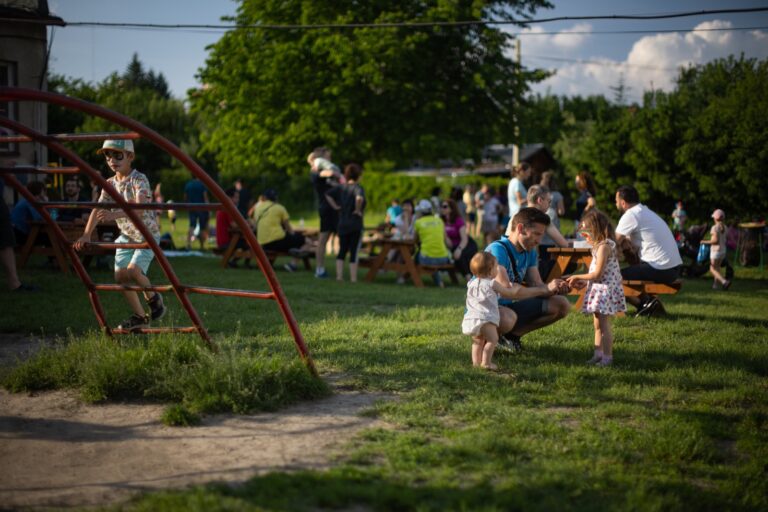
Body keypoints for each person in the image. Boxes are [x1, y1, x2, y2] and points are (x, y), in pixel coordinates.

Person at [74, 139, 166, 331]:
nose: (112, 160)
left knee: (134, 271)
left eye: (118, 155)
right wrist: (86, 234)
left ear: (130, 157)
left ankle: (154, 297)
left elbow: (139, 209)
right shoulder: (109, 184)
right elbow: (98, 208)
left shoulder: (139, 179)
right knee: (121, 277)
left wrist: (113, 214)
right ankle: (140, 316)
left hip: (145, 234)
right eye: (108, 156)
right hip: (126, 235)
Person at [486, 207, 570, 352]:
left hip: (507, 309)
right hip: (485, 311)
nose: (539, 241)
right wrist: (544, 289)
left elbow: (537, 285)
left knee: (561, 304)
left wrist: (558, 286)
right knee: (507, 318)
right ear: (520, 228)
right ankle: (489, 340)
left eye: (541, 235)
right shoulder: (498, 249)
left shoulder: (529, 252)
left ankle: (511, 337)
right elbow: (507, 290)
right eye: (536, 234)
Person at [566, 210, 626, 367]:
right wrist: (586, 283)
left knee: (604, 326)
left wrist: (579, 277)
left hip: (605, 291)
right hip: (599, 289)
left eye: (587, 233)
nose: (585, 237)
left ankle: (607, 357)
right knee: (597, 325)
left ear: (597, 229)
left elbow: (597, 274)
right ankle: (597, 354)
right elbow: (598, 275)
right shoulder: (599, 247)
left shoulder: (604, 247)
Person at [614, 185, 683, 316]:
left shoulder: (631, 214)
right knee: (626, 274)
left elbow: (612, 243)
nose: (615, 203)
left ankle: (644, 305)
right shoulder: (644, 212)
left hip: (661, 268)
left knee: (612, 277)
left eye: (616, 201)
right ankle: (649, 304)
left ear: (623, 203)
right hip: (671, 268)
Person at [462, 252, 515, 371]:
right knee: (492, 340)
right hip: (486, 318)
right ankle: (486, 363)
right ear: (491, 271)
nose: (498, 269)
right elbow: (507, 293)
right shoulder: (492, 283)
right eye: (497, 267)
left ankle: (476, 364)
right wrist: (509, 287)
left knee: (477, 341)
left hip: (472, 318)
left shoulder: (471, 283)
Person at [251, 188, 313, 272]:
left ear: (265, 197)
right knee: (307, 241)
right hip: (278, 241)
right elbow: (289, 228)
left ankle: (295, 250)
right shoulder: (280, 208)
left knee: (297, 240)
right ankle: (293, 264)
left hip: (263, 242)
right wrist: (294, 235)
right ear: (276, 198)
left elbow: (255, 225)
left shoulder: (258, 208)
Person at [326, 163, 366, 282]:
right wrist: (358, 210)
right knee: (353, 251)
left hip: (342, 222)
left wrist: (336, 207)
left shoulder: (340, 187)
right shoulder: (358, 188)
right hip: (355, 223)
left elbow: (328, 194)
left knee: (342, 250)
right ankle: (353, 278)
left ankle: (339, 276)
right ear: (358, 176)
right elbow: (359, 198)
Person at [308, 147, 342, 278]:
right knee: (323, 239)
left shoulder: (326, 170)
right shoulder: (316, 172)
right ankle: (319, 269)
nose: (330, 161)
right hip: (326, 209)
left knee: (339, 237)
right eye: (327, 158)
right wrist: (334, 172)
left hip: (335, 209)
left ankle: (341, 271)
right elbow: (327, 174)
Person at [0, 180, 36, 291]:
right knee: (5, 240)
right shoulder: (29, 202)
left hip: (17, 232)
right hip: (20, 234)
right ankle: (14, 283)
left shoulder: (24, 201)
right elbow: (39, 218)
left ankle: (14, 282)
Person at [527, 185, 569, 278]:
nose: (550, 205)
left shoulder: (517, 215)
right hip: (532, 270)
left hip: (514, 267)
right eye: (549, 201)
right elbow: (564, 244)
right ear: (539, 200)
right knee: (571, 263)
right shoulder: (542, 218)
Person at [413, 199, 451, 287]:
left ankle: (407, 278)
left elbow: (414, 241)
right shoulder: (439, 221)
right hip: (443, 258)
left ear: (420, 211)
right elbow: (445, 240)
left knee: (415, 257)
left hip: (427, 259)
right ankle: (439, 282)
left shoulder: (418, 222)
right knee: (430, 255)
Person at [440, 198, 477, 280]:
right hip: (454, 246)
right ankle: (469, 279)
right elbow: (449, 243)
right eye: (441, 206)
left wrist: (459, 249)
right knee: (456, 256)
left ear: (451, 208)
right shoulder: (441, 221)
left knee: (460, 256)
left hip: (466, 244)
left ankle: (469, 278)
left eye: (445, 206)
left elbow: (464, 238)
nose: (442, 208)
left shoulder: (458, 220)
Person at [216, 187, 251, 269]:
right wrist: (246, 224)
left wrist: (244, 223)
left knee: (245, 243)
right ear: (229, 197)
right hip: (226, 240)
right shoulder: (227, 208)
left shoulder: (223, 206)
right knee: (249, 244)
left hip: (224, 239)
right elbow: (234, 225)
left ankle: (233, 262)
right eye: (236, 197)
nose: (238, 200)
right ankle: (244, 263)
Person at [700, 208, 731, 290]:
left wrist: (704, 241)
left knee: (712, 268)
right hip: (723, 250)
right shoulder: (725, 227)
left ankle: (724, 282)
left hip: (715, 251)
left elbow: (715, 241)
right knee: (717, 268)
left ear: (715, 218)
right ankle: (715, 285)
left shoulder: (714, 228)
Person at [10, 180, 46, 246]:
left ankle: (56, 256)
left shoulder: (26, 200)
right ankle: (57, 256)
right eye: (44, 190)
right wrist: (45, 203)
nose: (45, 193)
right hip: (19, 235)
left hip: (15, 234)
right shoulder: (31, 202)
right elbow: (39, 219)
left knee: (49, 237)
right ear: (40, 191)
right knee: (49, 238)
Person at [184, 176, 210, 250]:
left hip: (191, 207)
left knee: (192, 226)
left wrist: (187, 205)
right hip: (201, 208)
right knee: (202, 227)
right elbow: (205, 198)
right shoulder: (202, 185)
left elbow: (185, 197)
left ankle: (188, 244)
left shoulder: (188, 185)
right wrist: (208, 208)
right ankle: (201, 246)